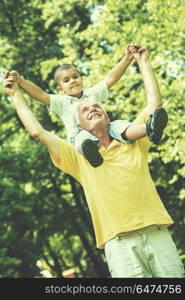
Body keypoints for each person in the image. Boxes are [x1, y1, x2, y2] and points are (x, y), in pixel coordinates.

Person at [3, 46, 184, 278]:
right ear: (78, 125)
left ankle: (146, 129)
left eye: (96, 107)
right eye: (85, 110)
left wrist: (142, 61)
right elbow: (38, 132)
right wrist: (16, 94)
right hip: (118, 244)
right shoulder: (77, 158)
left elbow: (154, 106)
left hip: (157, 232)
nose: (91, 108)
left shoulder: (132, 142)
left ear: (107, 116)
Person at [5, 43, 168, 168]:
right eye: (66, 80)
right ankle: (92, 154)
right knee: (84, 139)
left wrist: (127, 58)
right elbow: (40, 94)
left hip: (106, 129)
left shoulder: (92, 94)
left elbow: (111, 78)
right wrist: (21, 82)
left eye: (75, 77)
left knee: (119, 125)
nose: (73, 81)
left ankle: (150, 129)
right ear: (61, 89)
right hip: (79, 136)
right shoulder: (61, 102)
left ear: (81, 79)